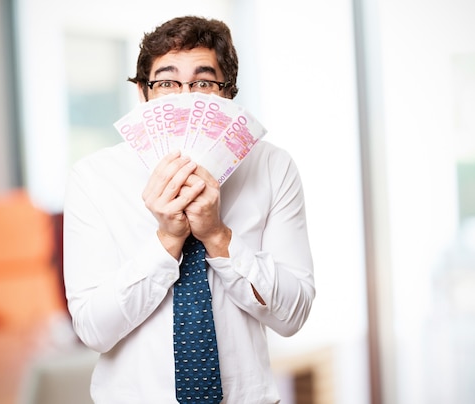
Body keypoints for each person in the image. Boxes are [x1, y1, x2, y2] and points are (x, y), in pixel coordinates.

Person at [63, 15, 315, 403]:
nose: (185, 98)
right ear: (144, 94)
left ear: (227, 94)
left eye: (203, 82)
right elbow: (93, 330)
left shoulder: (271, 167)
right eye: (166, 82)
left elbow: (292, 316)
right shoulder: (94, 178)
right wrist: (166, 241)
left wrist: (218, 236)